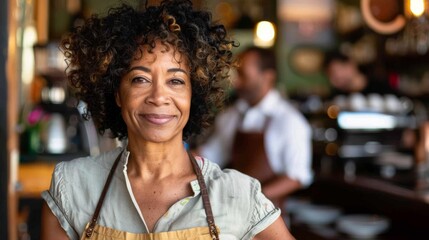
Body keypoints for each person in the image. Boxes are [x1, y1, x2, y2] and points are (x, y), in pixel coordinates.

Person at [40, 1, 295, 239]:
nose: (159, 96)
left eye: (176, 81)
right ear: (117, 93)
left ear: (193, 95)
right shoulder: (72, 186)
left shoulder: (239, 195)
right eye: (140, 79)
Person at [198, 46, 313, 212]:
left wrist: (252, 199)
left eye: (243, 75)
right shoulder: (233, 115)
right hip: (230, 212)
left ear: (268, 76)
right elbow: (211, 155)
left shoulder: (289, 120)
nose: (236, 82)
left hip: (268, 217)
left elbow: (296, 177)